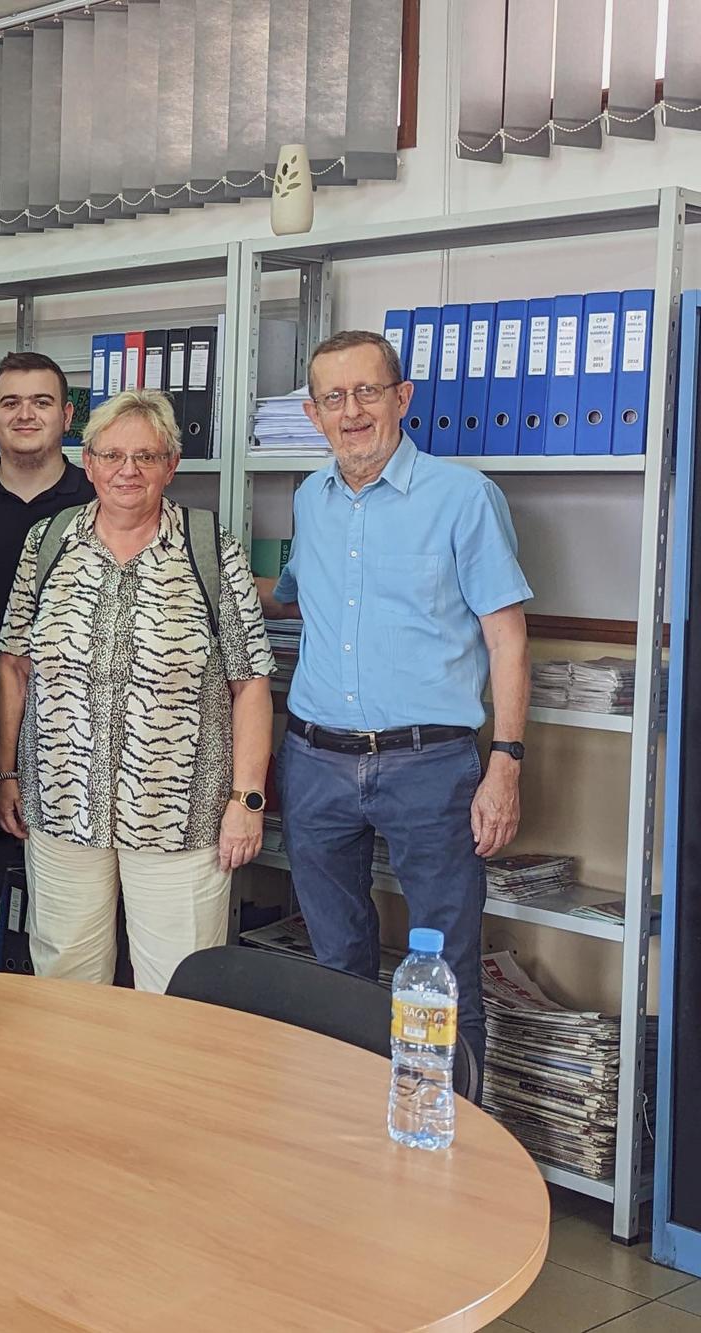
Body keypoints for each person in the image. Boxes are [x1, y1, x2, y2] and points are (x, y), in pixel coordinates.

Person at [265, 329, 532, 1085]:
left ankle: (454, 1145)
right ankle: (353, 1133)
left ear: (401, 398)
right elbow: (286, 600)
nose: (351, 411)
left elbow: (508, 640)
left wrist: (505, 764)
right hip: (314, 761)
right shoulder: (310, 498)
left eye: (367, 392)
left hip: (430, 766)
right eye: (333, 397)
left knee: (443, 968)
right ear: (314, 414)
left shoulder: (464, 497)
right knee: (334, 964)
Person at [0, 389, 274, 995]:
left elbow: (250, 681)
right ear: (88, 462)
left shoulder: (209, 547)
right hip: (62, 807)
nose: (128, 471)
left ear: (170, 466)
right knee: (64, 986)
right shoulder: (47, 543)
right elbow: (14, 664)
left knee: (180, 989)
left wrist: (246, 801)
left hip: (181, 817)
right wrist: (6, 774)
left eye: (146, 457)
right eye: (112, 455)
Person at [0, 351, 95, 969]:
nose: (25, 414)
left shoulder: (96, 496)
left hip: (76, 723)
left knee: (72, 909)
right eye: (10, 402)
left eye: (40, 401)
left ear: (67, 414)